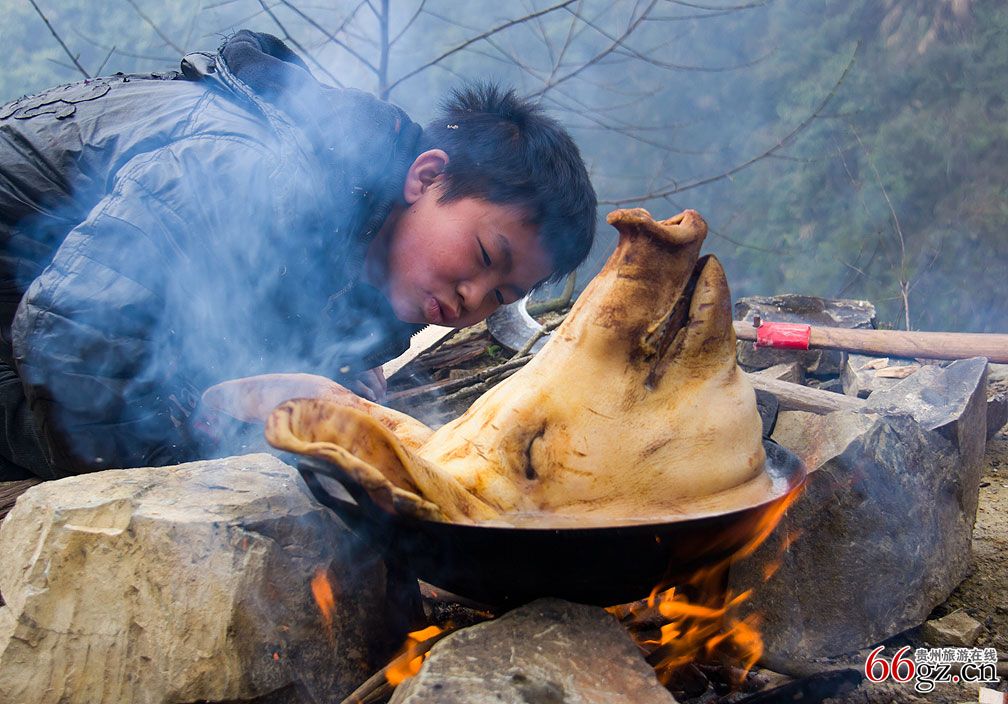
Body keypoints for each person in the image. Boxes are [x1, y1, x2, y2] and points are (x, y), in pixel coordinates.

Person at [0, 30, 597, 481]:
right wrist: (171, 481)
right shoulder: (250, 169)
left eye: (499, 295)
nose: (472, 295)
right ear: (427, 177)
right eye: (484, 254)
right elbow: (70, 328)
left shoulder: (362, 248)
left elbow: (242, 331)